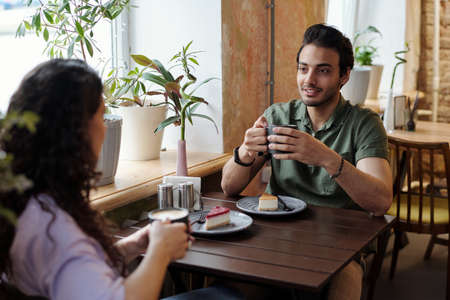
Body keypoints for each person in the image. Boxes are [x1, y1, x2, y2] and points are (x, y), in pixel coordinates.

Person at [0, 59, 242, 300]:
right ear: (77, 132)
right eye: (102, 115)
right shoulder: (56, 229)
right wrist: (160, 251)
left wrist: (131, 246)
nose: (106, 128)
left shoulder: (26, 203)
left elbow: (79, 275)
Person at [221, 24, 393, 300]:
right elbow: (228, 187)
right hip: (274, 239)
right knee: (227, 284)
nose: (309, 79)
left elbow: (381, 200)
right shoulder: (277, 115)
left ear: (344, 76)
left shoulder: (364, 124)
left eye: (323, 70)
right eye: (303, 68)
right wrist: (245, 152)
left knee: (342, 285)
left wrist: (324, 156)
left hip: (340, 247)